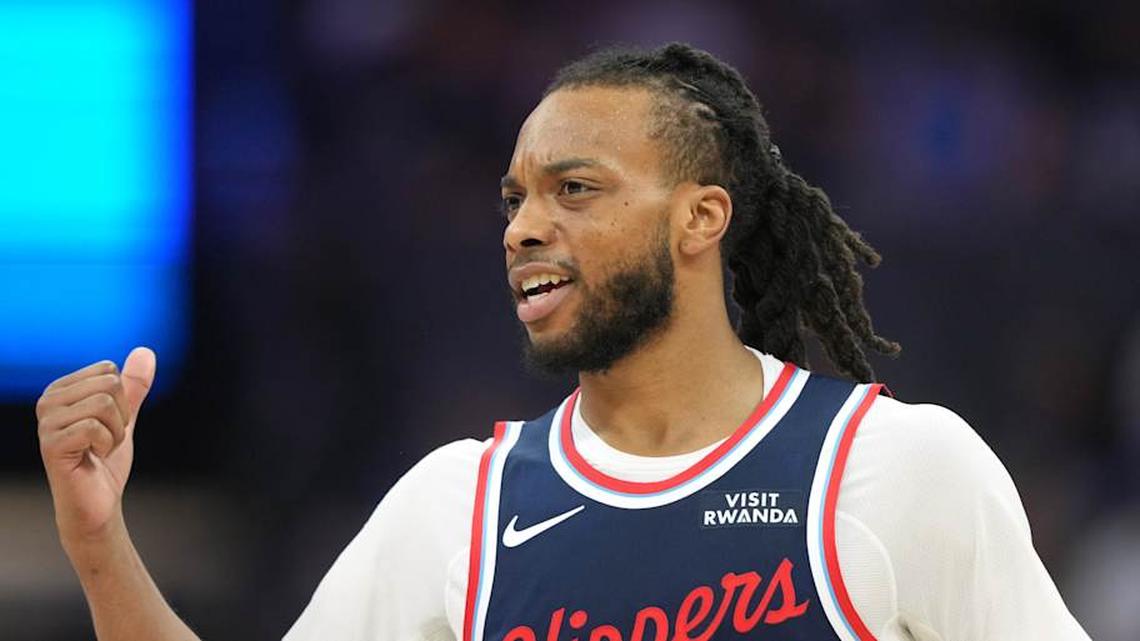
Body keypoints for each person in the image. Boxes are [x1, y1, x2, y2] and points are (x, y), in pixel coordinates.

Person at [35, 43, 1090, 641]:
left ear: (700, 218)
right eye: (514, 198)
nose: (524, 225)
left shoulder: (898, 469)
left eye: (575, 189)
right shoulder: (459, 505)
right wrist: (98, 543)